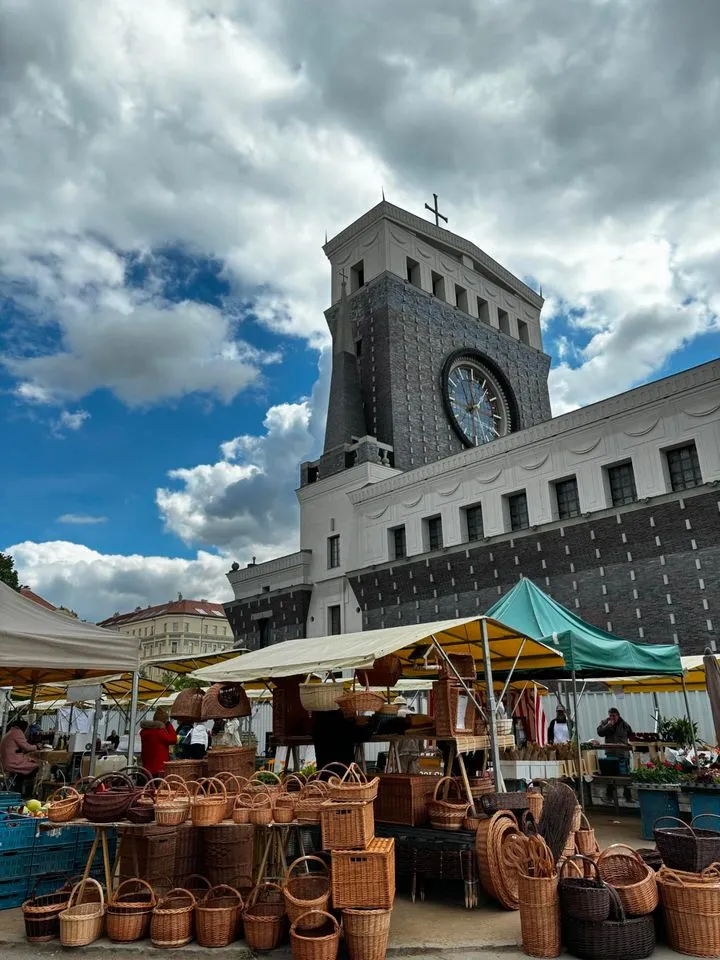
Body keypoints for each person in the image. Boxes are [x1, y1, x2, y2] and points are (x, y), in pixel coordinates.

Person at [0, 720, 39, 796]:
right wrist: (36, 746)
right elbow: (27, 747)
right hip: (12, 762)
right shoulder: (17, 733)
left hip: (5, 762)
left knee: (30, 763)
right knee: (35, 766)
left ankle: (16, 784)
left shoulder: (11, 732)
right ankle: (26, 791)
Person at [140, 708, 178, 777]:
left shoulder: (144, 732)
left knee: (149, 786)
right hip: (159, 768)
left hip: (147, 768)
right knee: (159, 787)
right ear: (164, 721)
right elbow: (174, 739)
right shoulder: (159, 732)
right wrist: (168, 724)